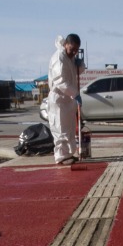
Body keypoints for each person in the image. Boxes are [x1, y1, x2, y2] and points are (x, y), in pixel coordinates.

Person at [48, 33, 82, 165]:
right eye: (72, 49)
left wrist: (80, 64)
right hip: (59, 99)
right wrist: (75, 93)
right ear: (65, 44)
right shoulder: (59, 58)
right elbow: (60, 81)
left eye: (76, 50)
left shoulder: (70, 58)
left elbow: (75, 73)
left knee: (69, 128)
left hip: (67, 99)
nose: (74, 52)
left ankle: (67, 154)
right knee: (60, 128)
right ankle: (61, 156)